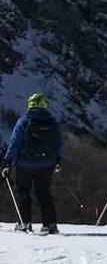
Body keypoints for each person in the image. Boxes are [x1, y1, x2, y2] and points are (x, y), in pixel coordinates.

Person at [2, 93, 63, 234]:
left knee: (23, 192)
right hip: (46, 164)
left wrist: (7, 163)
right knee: (44, 193)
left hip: (24, 164)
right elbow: (58, 144)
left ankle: (24, 223)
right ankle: (50, 224)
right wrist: (58, 160)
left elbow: (14, 144)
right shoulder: (52, 123)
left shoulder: (23, 121)